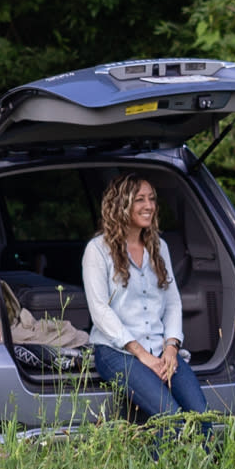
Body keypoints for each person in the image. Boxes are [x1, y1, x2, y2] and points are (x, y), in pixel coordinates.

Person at [82, 173, 208, 421]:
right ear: (121, 205)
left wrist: (171, 348)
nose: (149, 206)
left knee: (201, 415)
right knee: (170, 417)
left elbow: (172, 302)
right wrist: (143, 355)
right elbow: (99, 311)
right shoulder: (97, 250)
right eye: (140, 199)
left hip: (160, 350)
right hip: (117, 352)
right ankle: (161, 460)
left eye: (151, 199)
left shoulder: (159, 247)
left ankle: (204, 461)